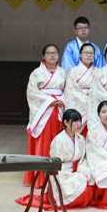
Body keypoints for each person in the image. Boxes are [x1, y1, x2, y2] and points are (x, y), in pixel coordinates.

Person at [15, 108, 93, 211]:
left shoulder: (80, 139)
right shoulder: (58, 140)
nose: (78, 124)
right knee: (83, 192)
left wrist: (82, 170)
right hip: (62, 172)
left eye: (79, 121)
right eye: (75, 121)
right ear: (65, 122)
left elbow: (82, 158)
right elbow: (55, 163)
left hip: (77, 170)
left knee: (89, 185)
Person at [25, 43, 67, 186]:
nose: (52, 55)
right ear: (43, 56)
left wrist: (62, 100)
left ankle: (58, 177)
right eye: (49, 53)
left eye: (55, 53)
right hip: (43, 111)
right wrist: (50, 100)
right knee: (43, 142)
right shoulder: (36, 73)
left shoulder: (64, 73)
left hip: (59, 110)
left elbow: (69, 91)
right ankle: (40, 178)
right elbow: (32, 93)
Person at [64, 42, 100, 131]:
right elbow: (71, 90)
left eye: (91, 53)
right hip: (78, 104)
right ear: (80, 54)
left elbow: (101, 90)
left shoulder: (98, 72)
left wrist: (92, 100)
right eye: (86, 53)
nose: (88, 55)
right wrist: (87, 100)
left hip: (94, 105)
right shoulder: (73, 71)